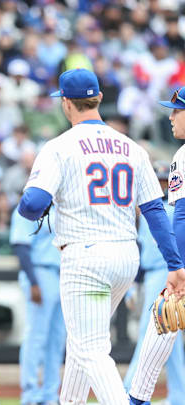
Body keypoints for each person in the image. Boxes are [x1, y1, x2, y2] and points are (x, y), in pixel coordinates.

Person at [17, 69, 185, 405]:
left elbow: (32, 205)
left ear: (66, 103)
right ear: (99, 99)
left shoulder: (59, 146)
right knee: (83, 344)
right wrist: (174, 262)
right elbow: (154, 211)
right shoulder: (131, 148)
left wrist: (35, 203)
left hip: (86, 257)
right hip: (125, 256)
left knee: (89, 348)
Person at [127, 87, 185, 405]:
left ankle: (136, 397)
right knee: (165, 326)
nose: (171, 116)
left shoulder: (182, 156)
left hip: (175, 268)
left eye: (177, 110)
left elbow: (182, 216)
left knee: (162, 326)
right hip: (158, 270)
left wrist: (179, 268)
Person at [10, 208, 65, 405]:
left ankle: (50, 395)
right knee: (36, 337)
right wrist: (33, 282)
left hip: (63, 273)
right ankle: (30, 395)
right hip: (40, 272)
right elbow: (21, 246)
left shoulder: (61, 206)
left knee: (57, 340)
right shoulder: (28, 207)